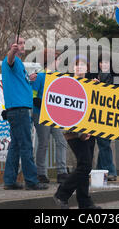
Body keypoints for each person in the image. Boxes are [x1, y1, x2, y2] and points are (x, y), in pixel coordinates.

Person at [53, 55, 101, 209]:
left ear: (87, 69)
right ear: (73, 68)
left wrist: (98, 90)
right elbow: (69, 111)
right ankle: (62, 194)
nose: (79, 68)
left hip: (90, 131)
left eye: (82, 65)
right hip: (74, 133)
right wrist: (81, 133)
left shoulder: (90, 84)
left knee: (85, 166)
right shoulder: (69, 84)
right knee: (85, 165)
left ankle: (85, 202)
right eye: (76, 65)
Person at [1, 35, 48, 191]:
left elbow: (18, 79)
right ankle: (31, 181)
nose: (22, 45)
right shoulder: (11, 60)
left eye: (23, 43)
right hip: (19, 110)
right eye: (19, 43)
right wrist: (11, 52)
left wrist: (29, 78)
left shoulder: (19, 63)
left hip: (17, 109)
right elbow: (9, 60)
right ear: (12, 46)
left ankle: (9, 180)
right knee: (26, 146)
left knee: (15, 146)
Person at [32, 49, 68, 184]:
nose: (59, 62)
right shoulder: (40, 76)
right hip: (40, 113)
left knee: (61, 141)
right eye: (58, 59)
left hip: (55, 115)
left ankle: (62, 172)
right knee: (43, 143)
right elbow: (33, 94)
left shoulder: (59, 76)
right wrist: (38, 101)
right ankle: (40, 173)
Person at [94, 55, 117, 181]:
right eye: (102, 62)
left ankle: (103, 170)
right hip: (98, 115)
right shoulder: (96, 77)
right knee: (104, 143)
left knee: (104, 144)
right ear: (99, 64)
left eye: (107, 62)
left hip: (109, 115)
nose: (104, 64)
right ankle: (107, 171)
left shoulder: (115, 78)